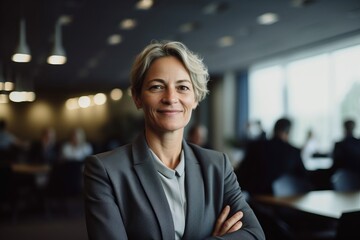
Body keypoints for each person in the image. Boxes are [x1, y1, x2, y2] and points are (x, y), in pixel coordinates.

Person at [83, 41, 265, 240]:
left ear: (195, 98)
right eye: (157, 87)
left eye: (183, 87)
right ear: (137, 97)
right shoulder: (105, 171)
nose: (171, 97)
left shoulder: (217, 166)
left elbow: (254, 235)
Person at [236, 117, 311, 196]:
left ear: (274, 130)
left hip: (255, 198)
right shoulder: (293, 151)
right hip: (284, 201)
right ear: (288, 132)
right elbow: (305, 180)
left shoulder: (256, 146)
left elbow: (241, 174)